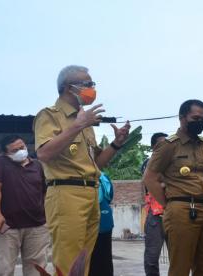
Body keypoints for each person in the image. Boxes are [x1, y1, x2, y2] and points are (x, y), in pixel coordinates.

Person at [34, 65, 130, 275]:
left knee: (84, 261)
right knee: (68, 261)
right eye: (88, 84)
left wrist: (116, 144)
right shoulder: (50, 116)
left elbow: (97, 164)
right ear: (69, 88)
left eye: (93, 84)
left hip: (90, 192)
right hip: (66, 193)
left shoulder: (84, 119)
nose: (92, 89)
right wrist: (77, 126)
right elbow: (44, 154)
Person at [143, 100, 203, 276]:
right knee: (180, 267)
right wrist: (168, 204)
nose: (201, 122)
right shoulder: (169, 145)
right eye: (196, 117)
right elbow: (150, 178)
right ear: (182, 118)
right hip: (182, 209)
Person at [0, 135, 49, 276]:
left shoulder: (38, 165)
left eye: (22, 147)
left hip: (37, 226)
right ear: (6, 154)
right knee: (3, 270)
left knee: (36, 270)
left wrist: (47, 215)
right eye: (15, 150)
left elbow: (45, 192)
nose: (21, 151)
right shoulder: (0, 162)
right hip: (7, 226)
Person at [142, 132, 168, 276]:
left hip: (174, 212)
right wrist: (166, 183)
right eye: (161, 143)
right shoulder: (149, 163)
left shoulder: (173, 163)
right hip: (155, 215)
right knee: (152, 256)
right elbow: (150, 182)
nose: (165, 146)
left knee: (179, 256)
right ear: (153, 147)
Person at [89, 172, 115, 276]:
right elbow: (109, 197)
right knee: (105, 258)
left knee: (91, 260)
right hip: (105, 219)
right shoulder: (104, 177)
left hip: (92, 222)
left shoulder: (82, 176)